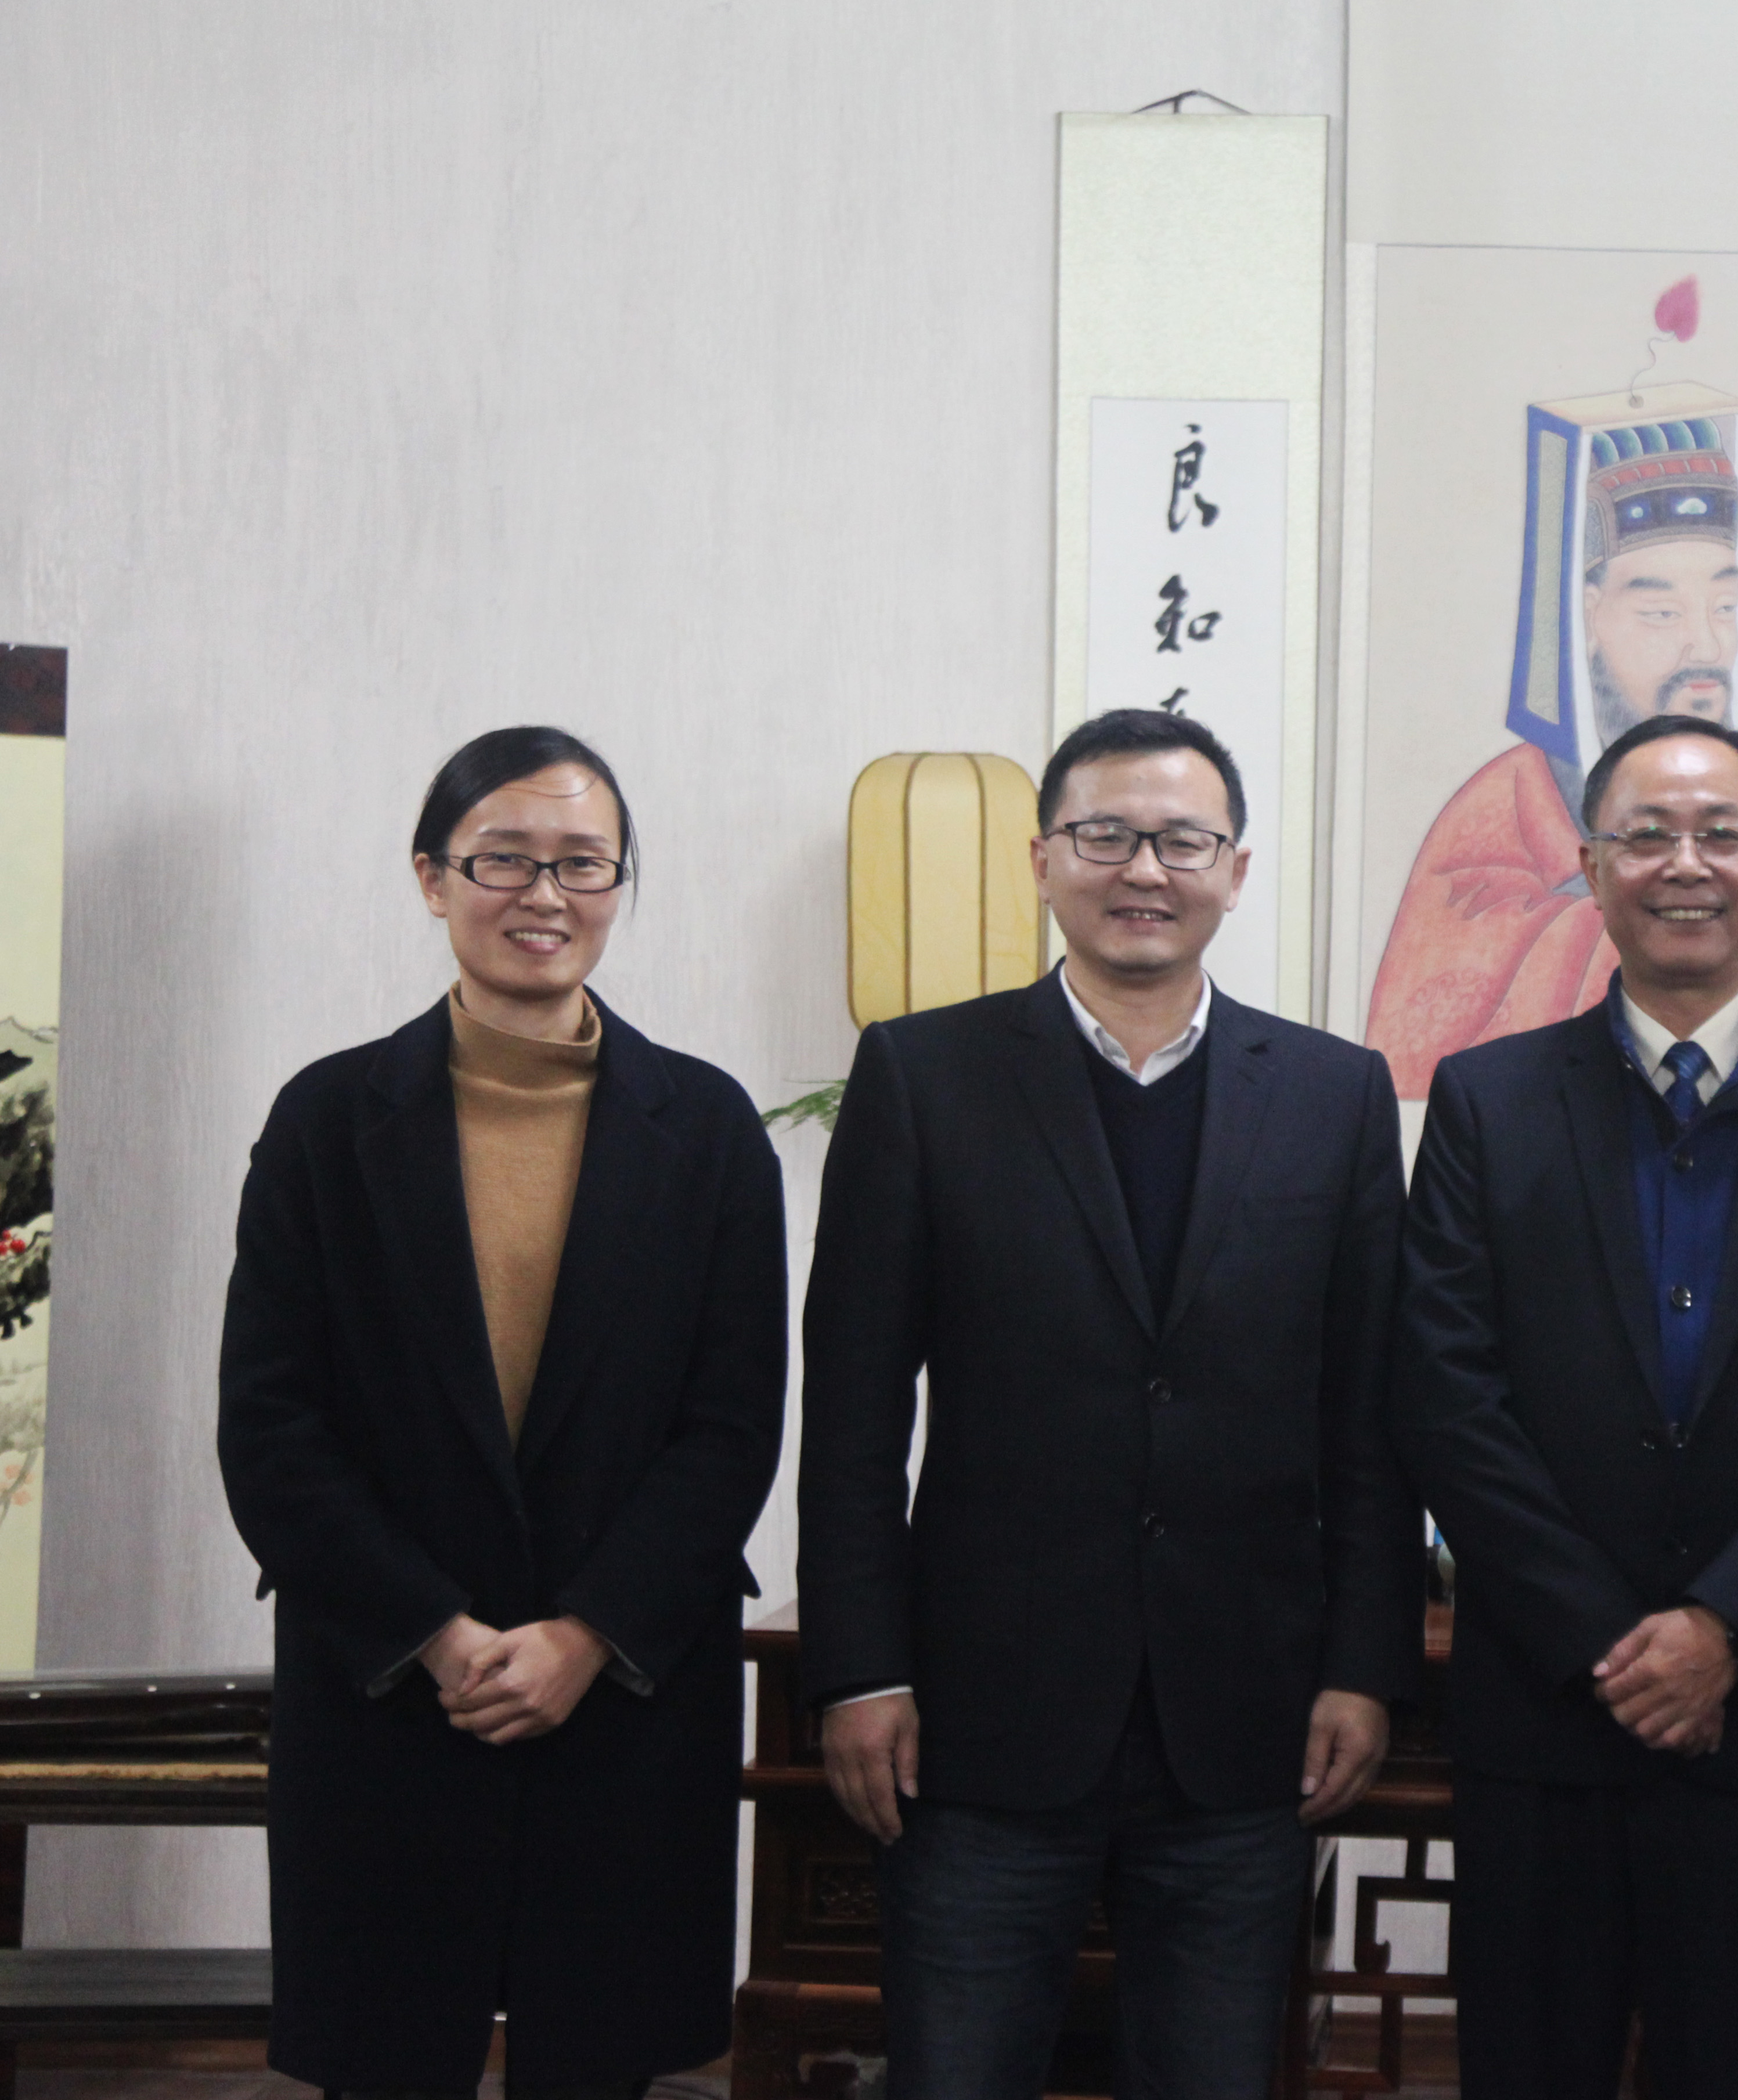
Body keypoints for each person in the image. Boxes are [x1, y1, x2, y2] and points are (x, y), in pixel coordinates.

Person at [797, 707, 1419, 2097]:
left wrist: (1362, 1665)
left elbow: (1369, 1420)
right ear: (1043, 860)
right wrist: (860, 1669)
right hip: (977, 1716)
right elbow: (852, 1413)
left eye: (1182, 840)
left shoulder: (1333, 1095)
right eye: (1106, 835)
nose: (1144, 868)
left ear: (1235, 870)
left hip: (1245, 1716)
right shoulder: (924, 1076)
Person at [217, 727, 785, 2096]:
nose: (545, 894)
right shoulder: (327, 1119)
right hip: (393, 1684)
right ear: (431, 877)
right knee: (385, 2058)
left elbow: (730, 1429)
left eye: (584, 863)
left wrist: (587, 1635)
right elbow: (273, 1425)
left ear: (620, 884)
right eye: (503, 860)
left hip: (626, 1688)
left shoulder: (707, 1128)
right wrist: (437, 1632)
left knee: (602, 2058)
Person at [1391, 712, 1738, 2100]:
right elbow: (1448, 1393)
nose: (1683, 864)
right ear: (1589, 866)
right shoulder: (1486, 1102)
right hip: (1544, 1717)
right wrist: (1608, 1641)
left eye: (1720, 834)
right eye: (1645, 834)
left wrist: (1724, 1629)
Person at [1364, 389, 1738, 1093]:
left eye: (1723, 606)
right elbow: (1431, 1010)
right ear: (1589, 614)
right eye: (1661, 612)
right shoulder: (1512, 797)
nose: (1705, 645)